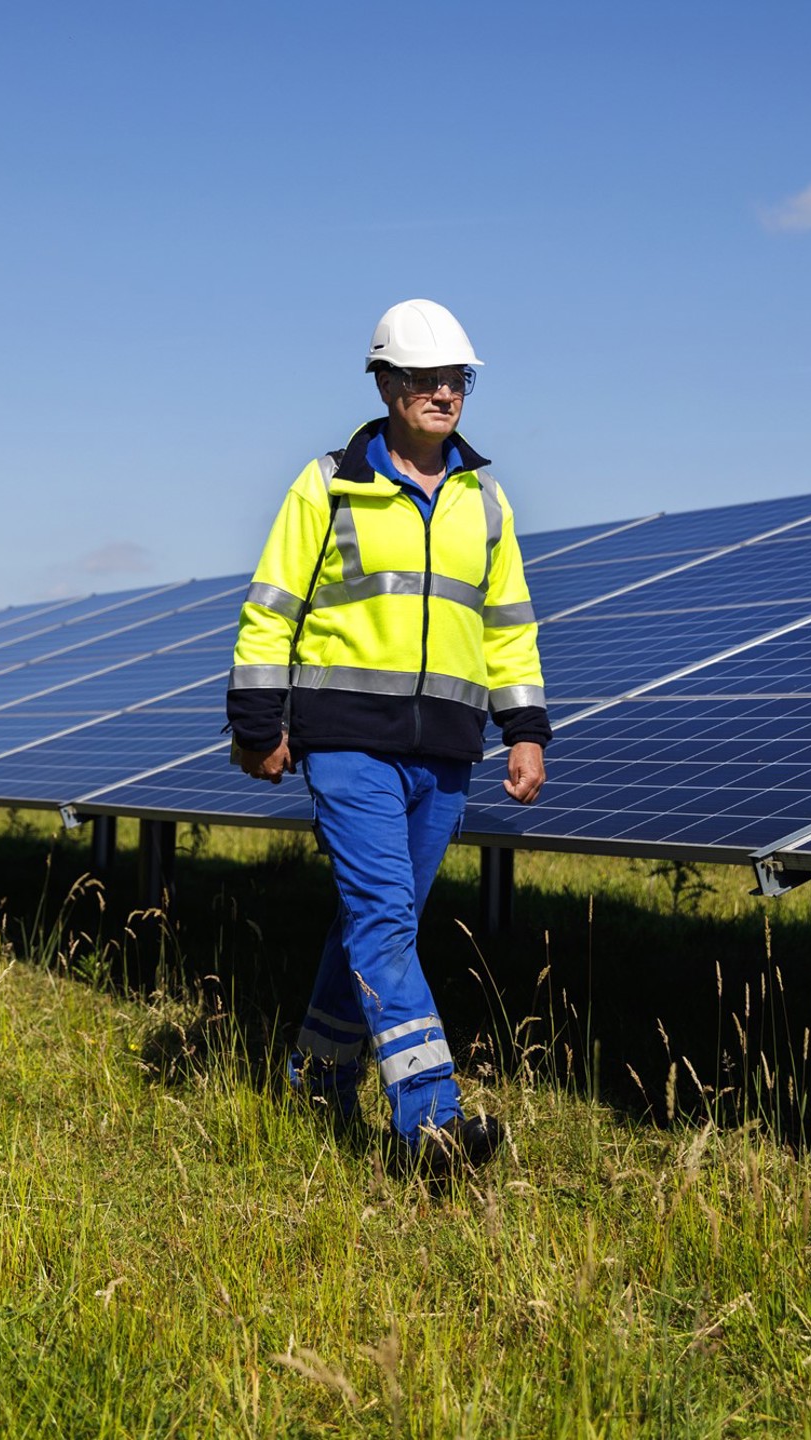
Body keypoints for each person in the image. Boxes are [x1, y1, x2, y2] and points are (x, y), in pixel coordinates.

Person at [227, 298, 549, 1174]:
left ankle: (320, 1077)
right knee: (381, 919)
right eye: (424, 379)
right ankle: (431, 1123)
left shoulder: (486, 500)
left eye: (457, 380)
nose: (443, 393)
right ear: (386, 383)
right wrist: (259, 722)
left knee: (384, 923)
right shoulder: (327, 483)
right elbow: (272, 610)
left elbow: (507, 625)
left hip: (447, 752)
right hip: (347, 746)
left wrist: (523, 728)